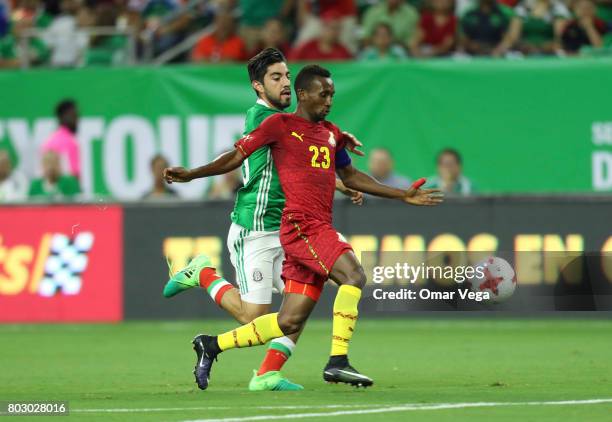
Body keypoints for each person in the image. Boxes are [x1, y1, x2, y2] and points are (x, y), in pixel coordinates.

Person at [163, 64, 442, 391]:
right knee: (354, 275)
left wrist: (401, 194)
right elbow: (236, 157)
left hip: (315, 226)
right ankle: (337, 362)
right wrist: (192, 174)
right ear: (303, 94)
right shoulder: (278, 124)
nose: (329, 101)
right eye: (323, 94)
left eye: (333, 95)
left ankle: (212, 345)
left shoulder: (331, 133)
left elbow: (351, 176)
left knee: (289, 321)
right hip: (301, 226)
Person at [162, 49, 363, 392]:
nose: (285, 83)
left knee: (299, 304)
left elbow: (304, 164)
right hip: (255, 227)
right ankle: (203, 273)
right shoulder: (262, 119)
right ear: (258, 86)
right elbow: (234, 156)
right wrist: (193, 174)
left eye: (286, 76)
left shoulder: (295, 123)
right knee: (253, 317)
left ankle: (267, 373)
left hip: (289, 228)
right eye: (275, 78)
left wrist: (340, 177)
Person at [41, 99, 80, 179]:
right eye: (74, 116)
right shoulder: (70, 142)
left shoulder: (48, 142)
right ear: (63, 116)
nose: (77, 120)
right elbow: (74, 176)